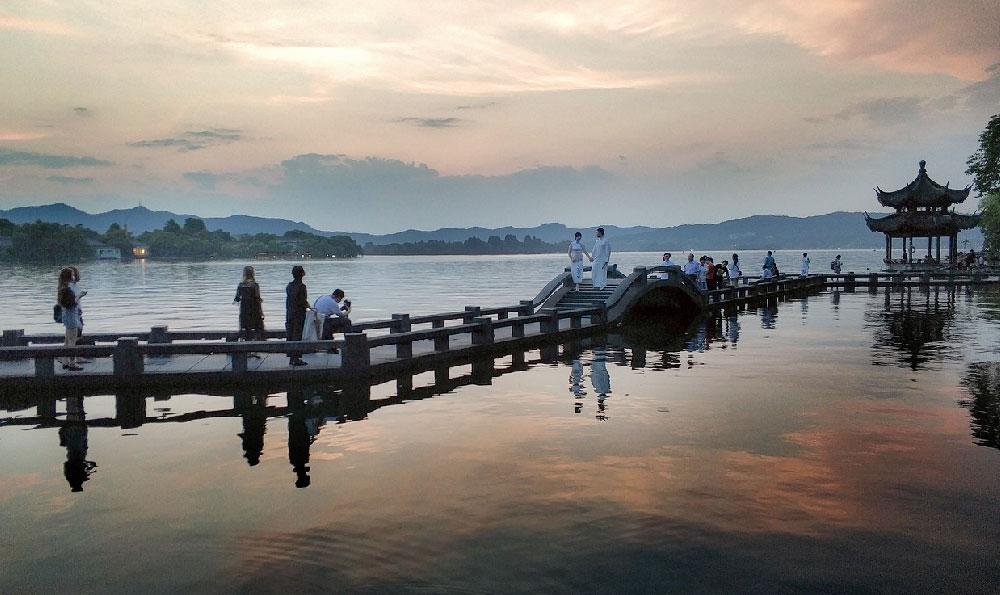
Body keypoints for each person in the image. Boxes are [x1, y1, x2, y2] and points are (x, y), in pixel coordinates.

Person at [234, 266, 265, 355]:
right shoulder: (255, 285)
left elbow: (237, 298)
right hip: (254, 309)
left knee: (247, 330)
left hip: (244, 310)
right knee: (257, 329)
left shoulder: (241, 285)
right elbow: (257, 298)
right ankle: (255, 350)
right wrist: (261, 311)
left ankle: (247, 351)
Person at [57, 267, 83, 371]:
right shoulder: (67, 289)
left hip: (67, 317)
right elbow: (71, 303)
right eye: (72, 275)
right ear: (69, 277)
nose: (74, 276)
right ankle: (73, 363)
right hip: (72, 317)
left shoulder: (62, 288)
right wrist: (80, 295)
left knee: (67, 340)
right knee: (72, 341)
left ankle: (65, 361)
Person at [285, 265, 308, 366]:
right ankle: (296, 358)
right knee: (297, 335)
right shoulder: (302, 287)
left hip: (290, 313)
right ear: (302, 274)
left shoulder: (289, 286)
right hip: (299, 314)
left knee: (290, 334)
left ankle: (291, 357)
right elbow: (302, 302)